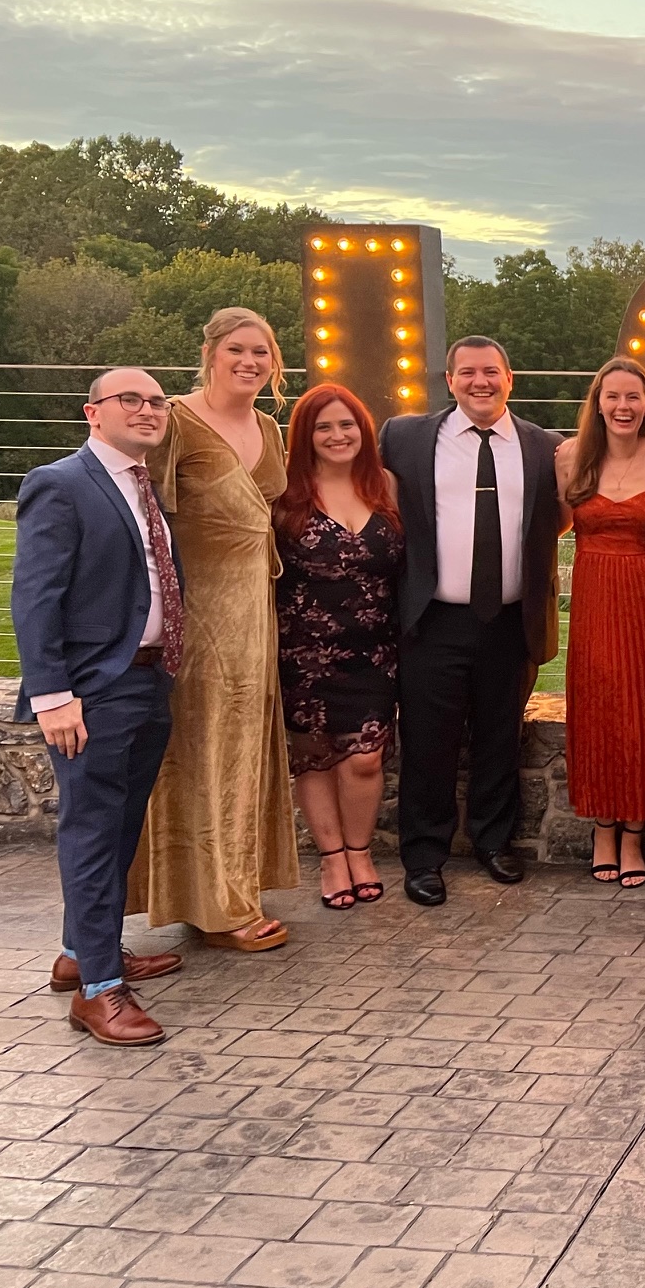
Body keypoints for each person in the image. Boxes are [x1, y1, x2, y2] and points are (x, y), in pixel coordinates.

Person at [14, 369, 184, 1044]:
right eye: (130, 400)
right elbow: (35, 597)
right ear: (94, 412)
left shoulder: (145, 485)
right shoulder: (61, 483)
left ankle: (85, 952)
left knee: (117, 828)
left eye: (156, 402)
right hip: (91, 690)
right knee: (90, 830)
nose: (147, 410)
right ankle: (100, 993)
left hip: (148, 682)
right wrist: (54, 696)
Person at [130, 308, 297, 952]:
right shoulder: (173, 419)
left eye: (261, 351)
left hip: (256, 611)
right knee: (199, 754)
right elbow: (143, 516)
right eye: (237, 350)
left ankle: (230, 890)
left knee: (243, 756)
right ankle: (214, 905)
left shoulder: (268, 427)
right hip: (196, 616)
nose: (250, 362)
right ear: (210, 353)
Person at [380, 336, 565, 906]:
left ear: (510, 379)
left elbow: (554, 522)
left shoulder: (545, 447)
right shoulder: (406, 437)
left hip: (509, 619)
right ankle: (424, 856)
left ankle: (493, 843)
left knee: (498, 737)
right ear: (450, 378)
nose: (479, 382)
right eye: (467, 372)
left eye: (491, 372)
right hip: (432, 619)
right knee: (427, 743)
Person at [555, 358, 645, 889]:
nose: (623, 406)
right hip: (594, 593)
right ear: (598, 402)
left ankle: (634, 833)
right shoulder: (569, 457)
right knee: (600, 706)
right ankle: (602, 827)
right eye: (613, 396)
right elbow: (556, 524)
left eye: (633, 396)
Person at [274, 384, 403, 911]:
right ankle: (333, 859)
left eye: (346, 425)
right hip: (302, 653)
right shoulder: (284, 492)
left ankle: (360, 849)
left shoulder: (385, 485)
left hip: (374, 651)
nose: (337, 435)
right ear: (306, 437)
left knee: (366, 760)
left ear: (363, 431)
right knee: (315, 758)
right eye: (323, 427)